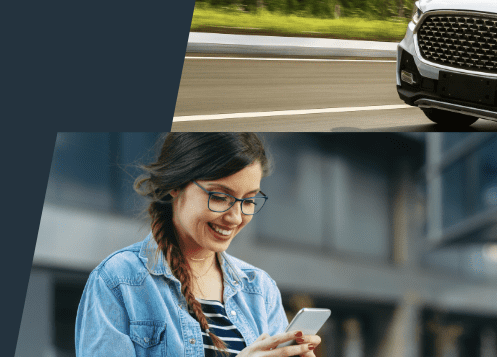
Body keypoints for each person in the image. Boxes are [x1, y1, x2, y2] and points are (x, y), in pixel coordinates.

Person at [75, 133, 321, 356]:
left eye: (248, 201)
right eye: (220, 197)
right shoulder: (118, 280)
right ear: (175, 184)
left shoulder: (260, 289)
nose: (236, 217)